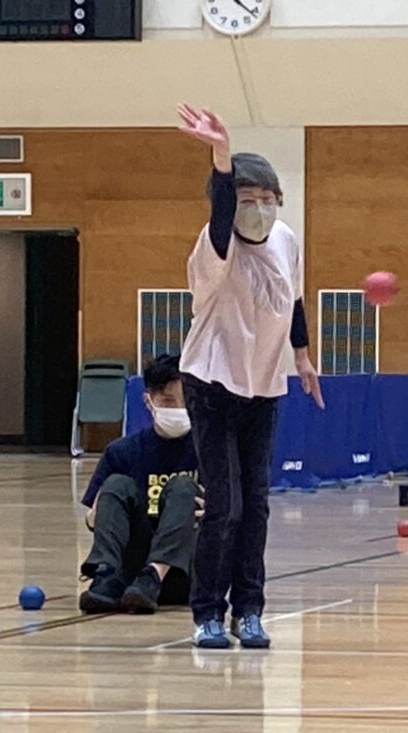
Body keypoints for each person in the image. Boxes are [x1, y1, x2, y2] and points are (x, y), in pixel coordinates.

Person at [176, 103, 324, 650]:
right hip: (212, 383)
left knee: (257, 503)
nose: (259, 209)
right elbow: (220, 212)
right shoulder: (215, 247)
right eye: (246, 199)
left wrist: (302, 356)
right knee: (225, 504)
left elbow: (294, 299)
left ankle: (250, 610)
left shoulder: (286, 239)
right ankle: (207, 613)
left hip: (263, 385)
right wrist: (221, 152)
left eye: (267, 198)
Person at [79, 354, 202, 614]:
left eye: (186, 401)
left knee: (183, 487)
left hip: (186, 571)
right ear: (149, 401)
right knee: (115, 484)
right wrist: (95, 516)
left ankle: (155, 575)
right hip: (131, 575)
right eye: (169, 401)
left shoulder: (211, 453)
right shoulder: (121, 452)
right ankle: (107, 576)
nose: (179, 409)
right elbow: (93, 518)